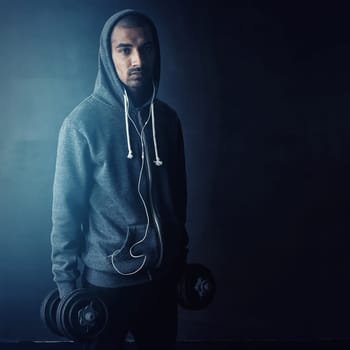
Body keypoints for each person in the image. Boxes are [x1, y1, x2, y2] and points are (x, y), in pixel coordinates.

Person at [50, 9, 189, 350]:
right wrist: (68, 289)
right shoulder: (82, 124)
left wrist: (178, 258)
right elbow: (66, 212)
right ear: (108, 55)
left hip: (162, 278)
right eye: (125, 49)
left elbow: (178, 198)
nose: (137, 59)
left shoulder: (168, 120)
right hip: (106, 285)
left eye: (146, 48)